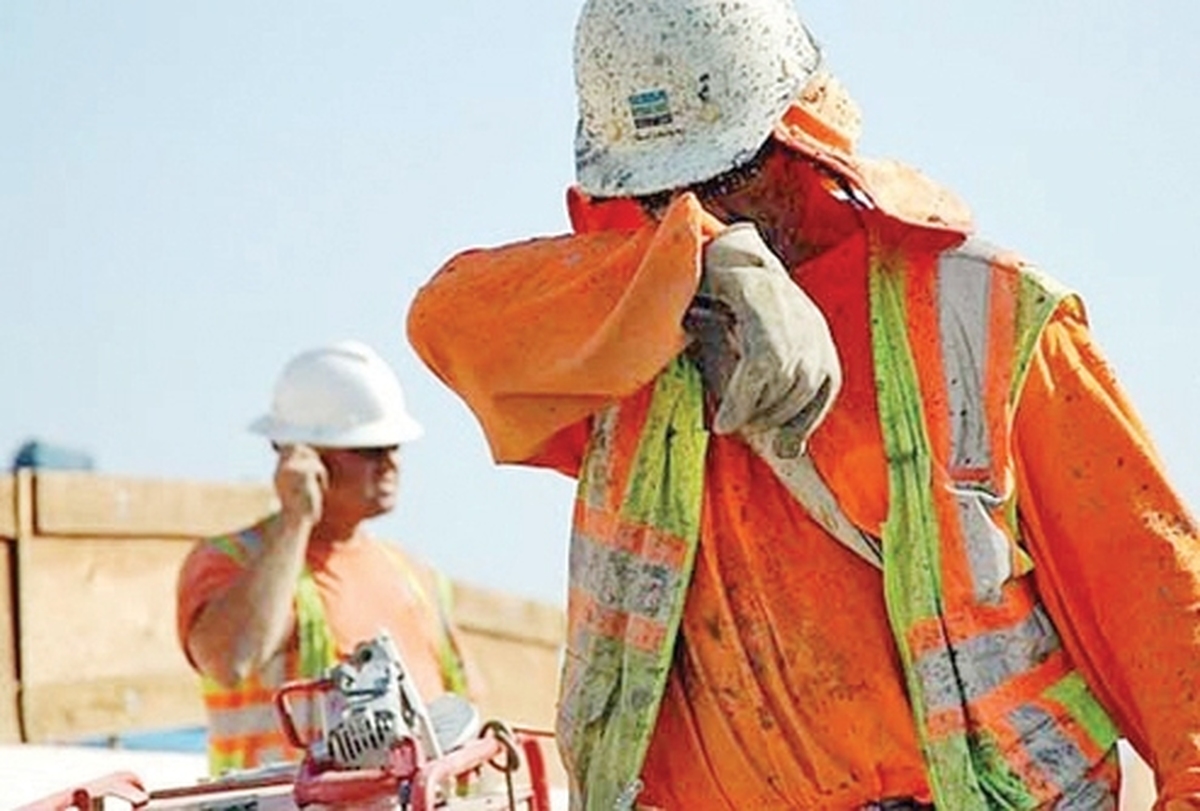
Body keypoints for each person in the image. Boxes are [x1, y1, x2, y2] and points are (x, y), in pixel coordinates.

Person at [406, 0, 1200, 809]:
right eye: (661, 196)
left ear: (799, 139)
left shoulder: (981, 318)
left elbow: (1165, 617)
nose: (696, 212)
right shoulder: (632, 332)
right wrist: (695, 266)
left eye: (722, 179)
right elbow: (444, 320)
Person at [176, 340, 476, 775]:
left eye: (394, 446)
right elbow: (231, 660)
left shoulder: (416, 576)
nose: (391, 463)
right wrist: (296, 519)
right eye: (370, 449)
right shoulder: (230, 560)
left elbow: (464, 711)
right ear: (303, 456)